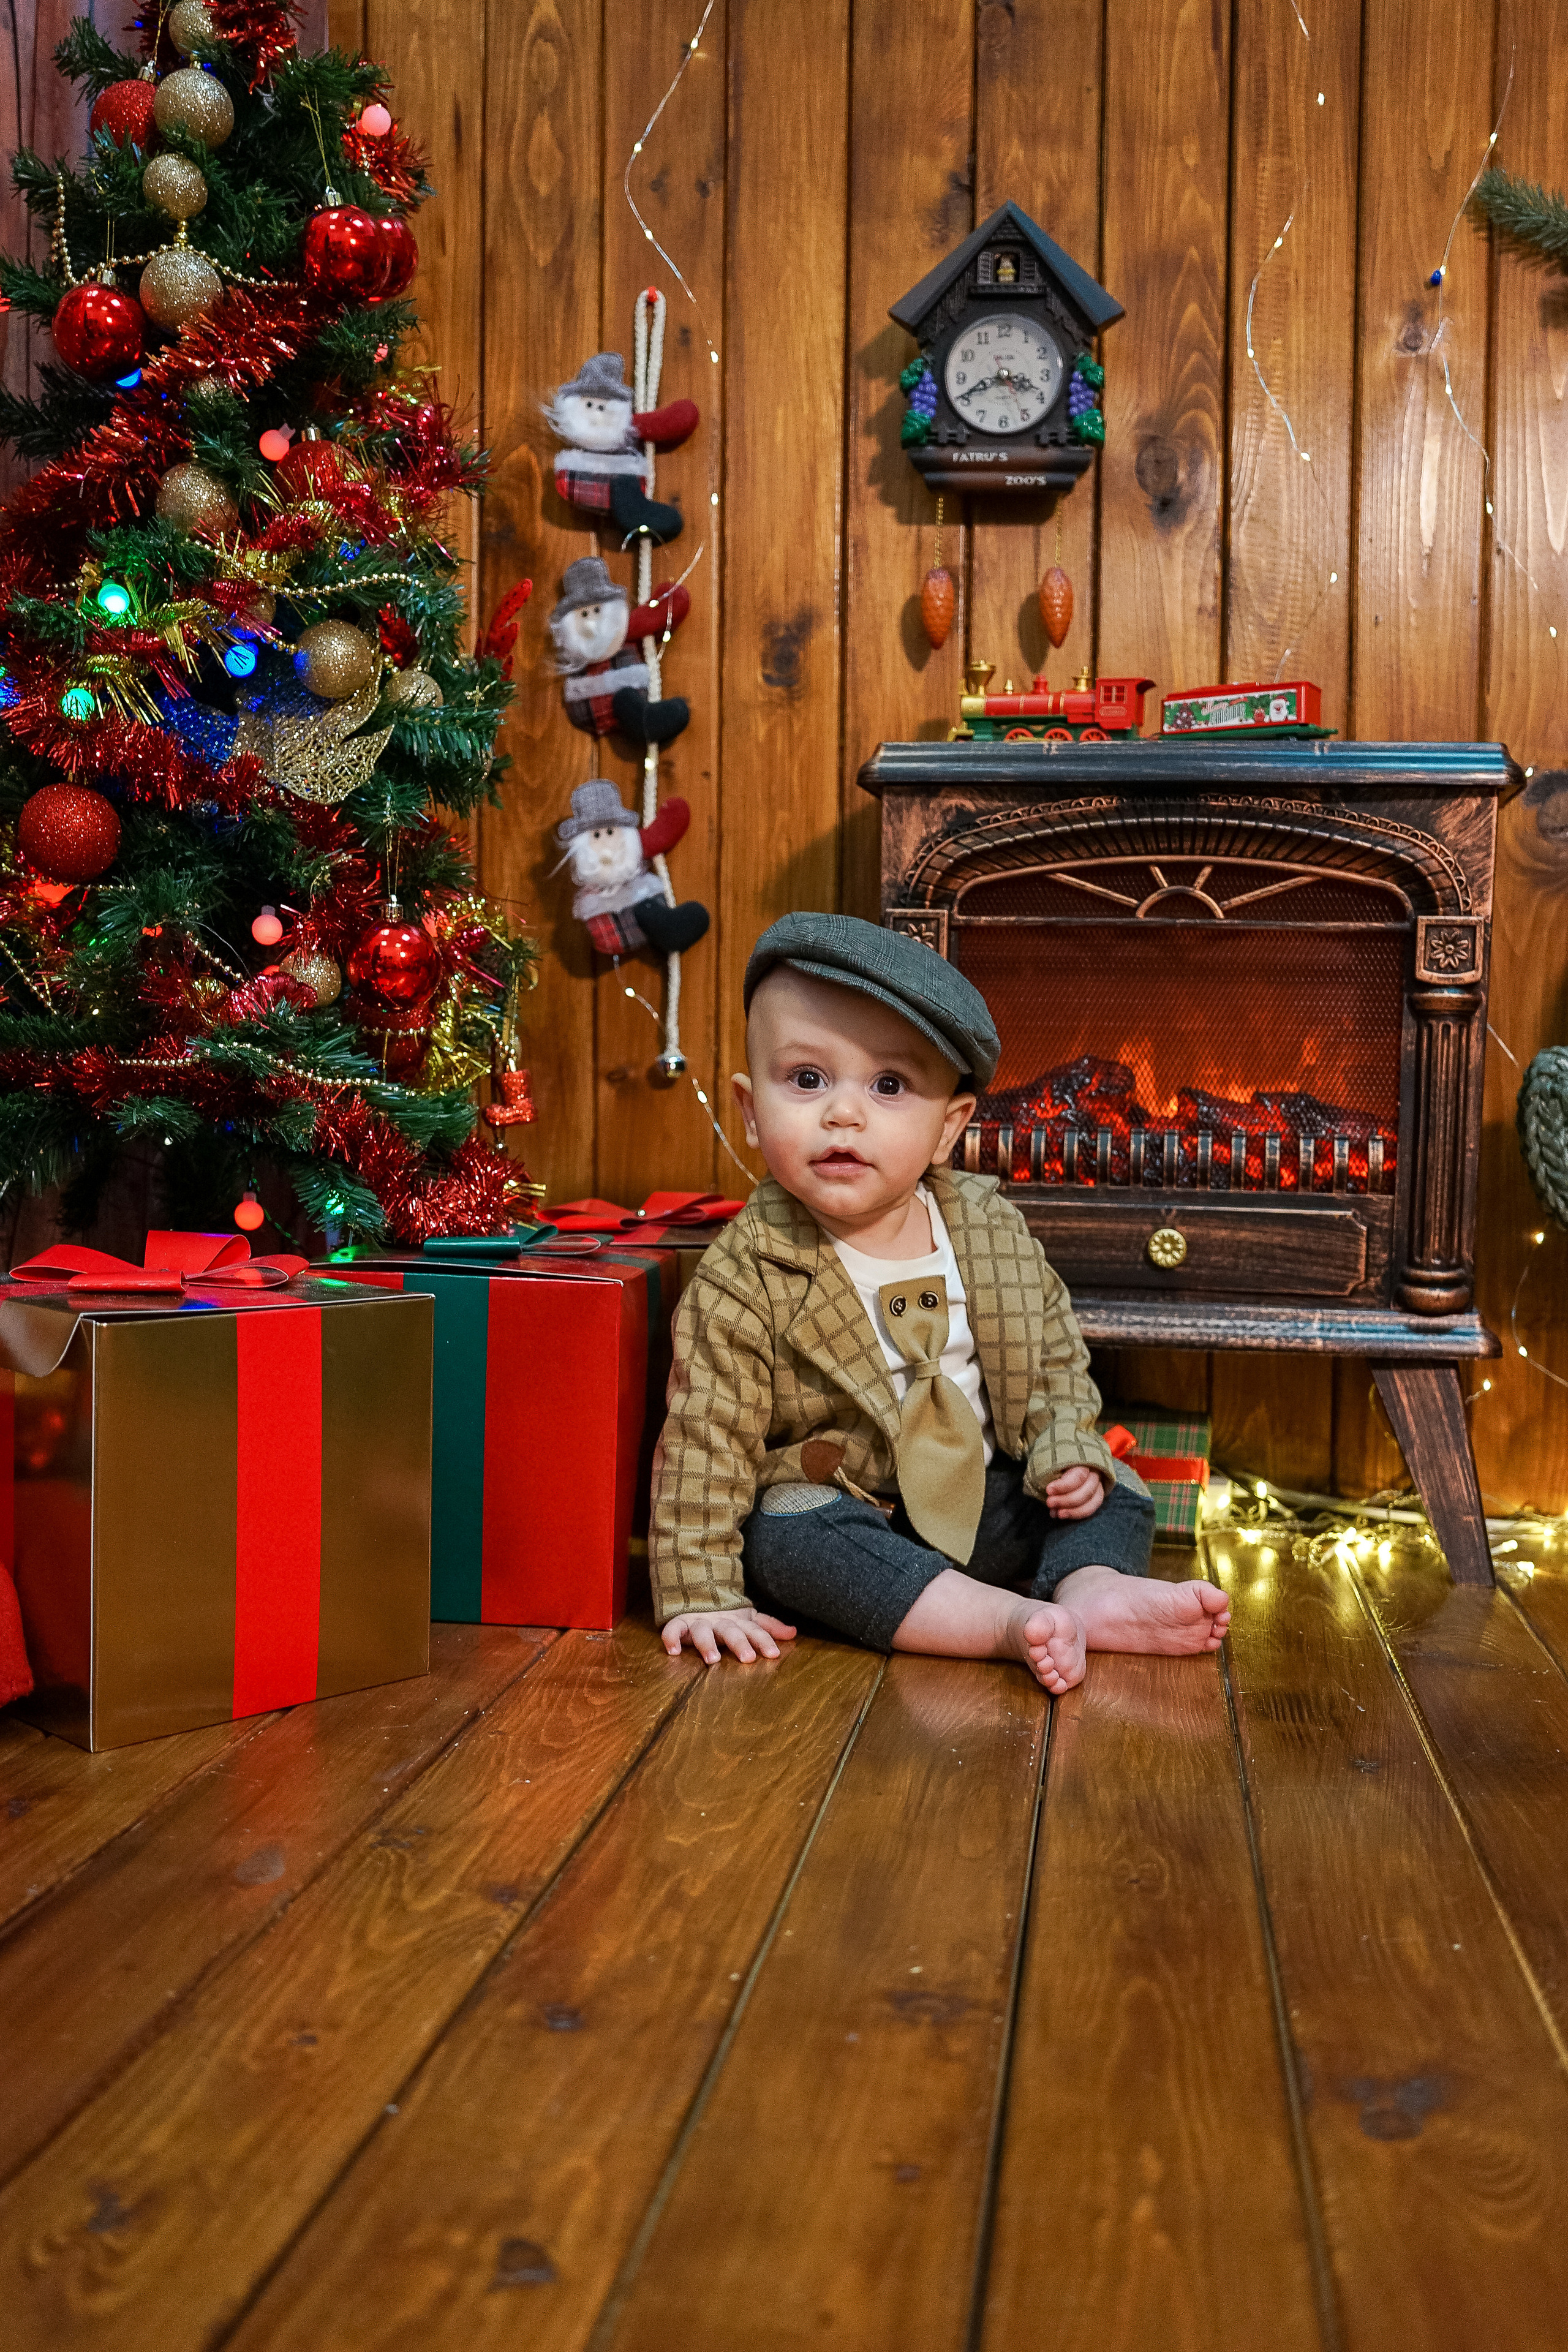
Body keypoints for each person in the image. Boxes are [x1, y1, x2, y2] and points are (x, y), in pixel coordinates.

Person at [650, 913, 1231, 1692]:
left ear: (947, 1128)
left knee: (1112, 1484)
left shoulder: (986, 1228)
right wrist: (699, 1592)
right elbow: (705, 1436)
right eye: (807, 1080)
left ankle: (1090, 1588)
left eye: (888, 1086)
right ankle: (998, 1623)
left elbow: (1053, 1355)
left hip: (988, 1501)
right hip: (862, 1517)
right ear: (751, 1111)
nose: (842, 1114)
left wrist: (1063, 1445)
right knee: (781, 1533)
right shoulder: (744, 1275)